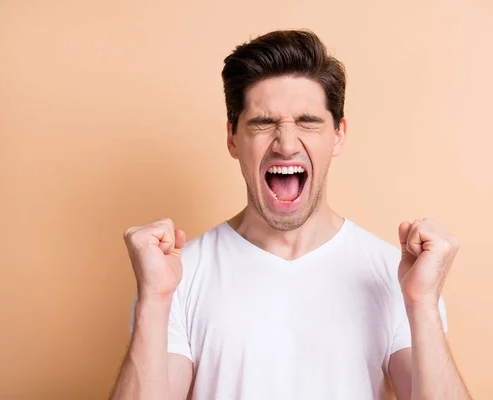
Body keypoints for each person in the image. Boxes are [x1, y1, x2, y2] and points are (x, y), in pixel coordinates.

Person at [111, 30, 471, 400]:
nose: (285, 144)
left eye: (308, 121)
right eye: (263, 122)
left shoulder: (396, 278)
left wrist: (422, 304)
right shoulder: (178, 278)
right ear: (233, 138)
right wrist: (154, 300)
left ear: (339, 135)